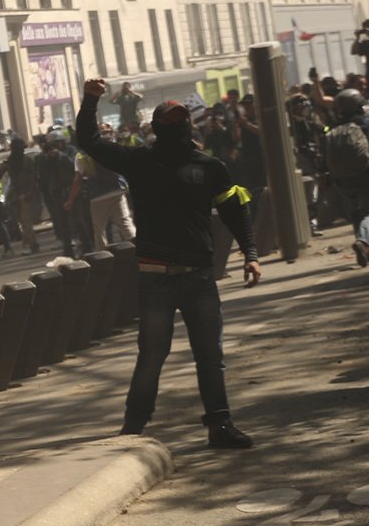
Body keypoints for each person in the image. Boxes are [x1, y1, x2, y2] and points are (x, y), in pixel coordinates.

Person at [75, 79, 260, 447]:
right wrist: (91, 100)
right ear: (159, 130)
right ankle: (133, 428)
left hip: (198, 277)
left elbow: (234, 210)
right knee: (152, 356)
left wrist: (251, 254)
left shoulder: (209, 167)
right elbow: (90, 142)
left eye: (180, 122)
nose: (176, 128)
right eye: (170, 123)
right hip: (156, 276)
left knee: (209, 356)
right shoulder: (139, 160)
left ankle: (219, 426)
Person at [323, 92, 369, 268]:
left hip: (341, 179)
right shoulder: (363, 123)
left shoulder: (334, 127)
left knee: (357, 214)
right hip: (364, 174)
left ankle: (363, 249)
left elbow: (323, 157)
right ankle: (363, 242)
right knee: (367, 212)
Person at [35, 135, 79, 257]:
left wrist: (59, 155)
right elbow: (42, 174)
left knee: (78, 219)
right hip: (57, 192)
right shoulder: (45, 158)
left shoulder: (69, 152)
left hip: (71, 190)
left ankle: (85, 244)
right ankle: (68, 249)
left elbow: (73, 166)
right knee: (62, 222)